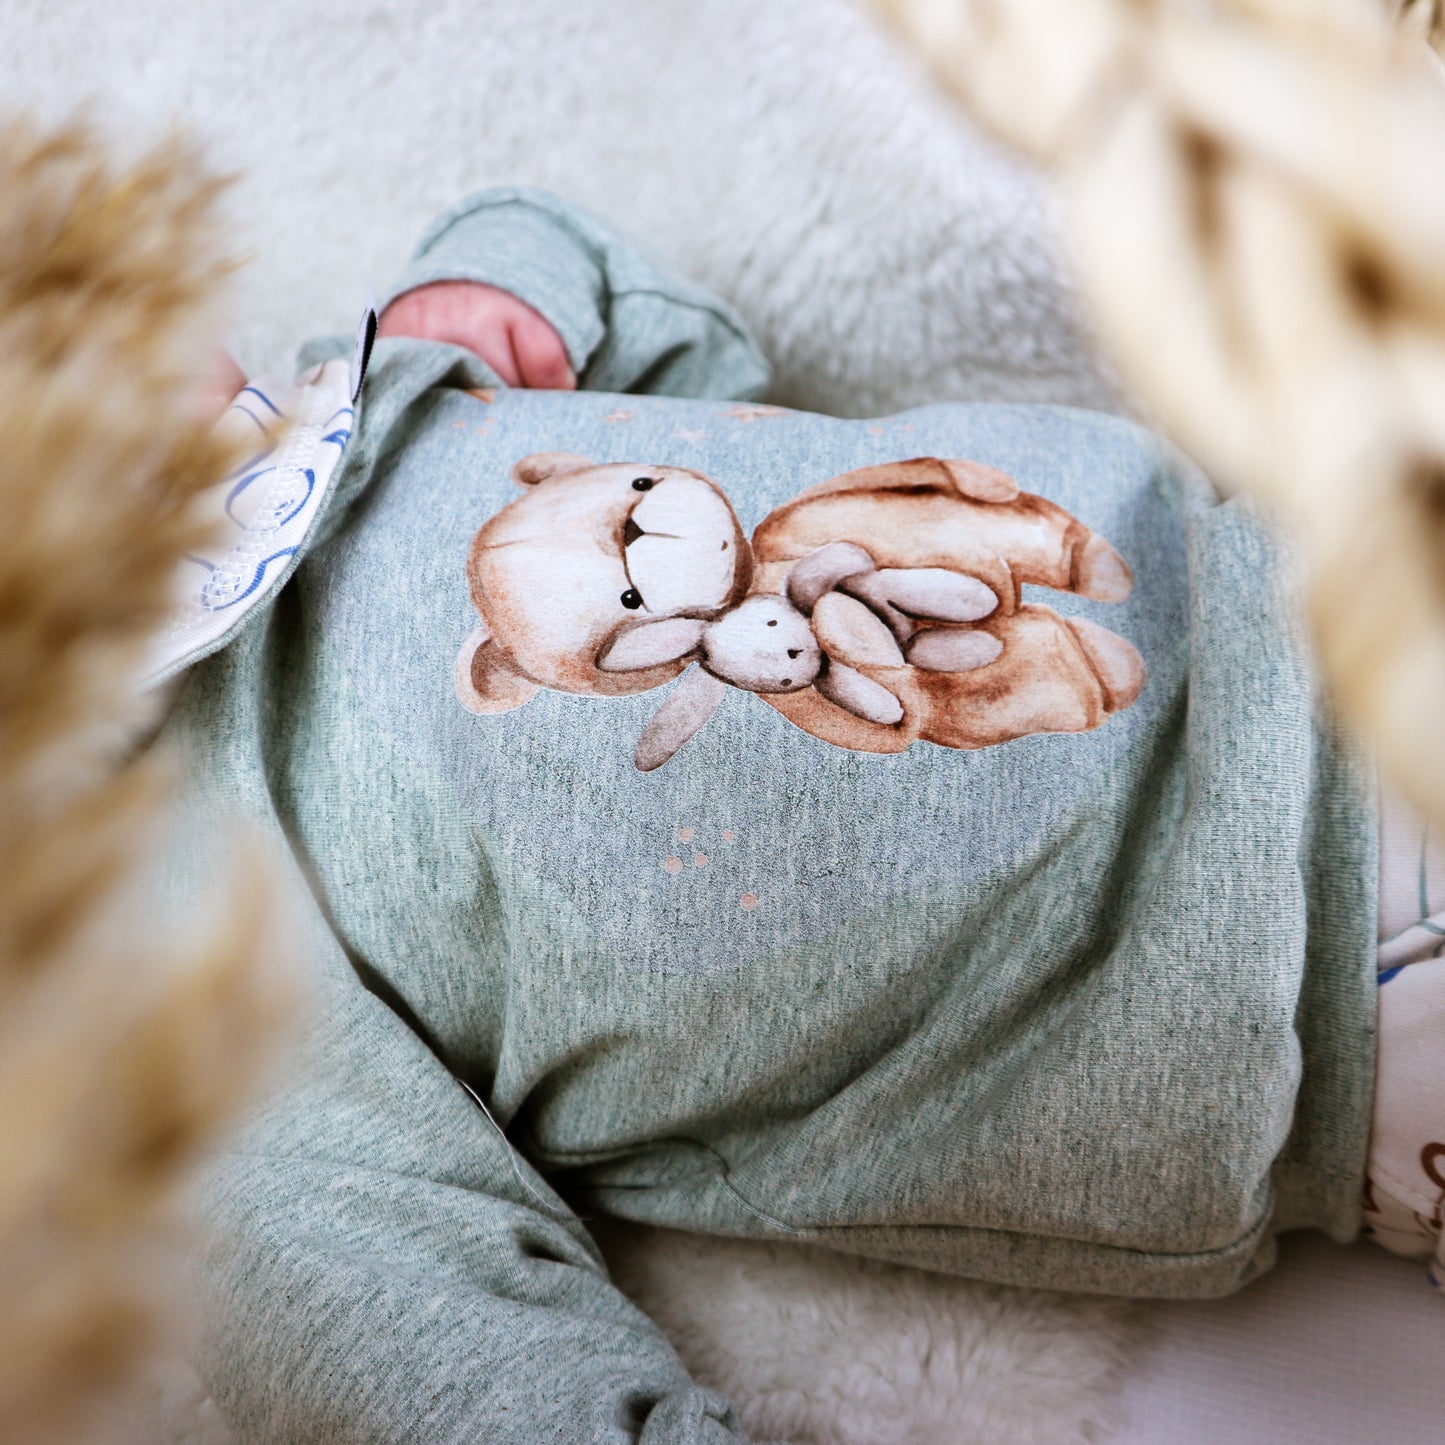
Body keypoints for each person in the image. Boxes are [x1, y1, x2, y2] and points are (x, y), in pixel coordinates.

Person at [163, 188, 1441, 1444]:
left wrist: (495, 292)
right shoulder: (165, 933)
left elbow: (650, 323)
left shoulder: (369, 396)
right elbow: (401, 1332)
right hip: (1312, 1002)